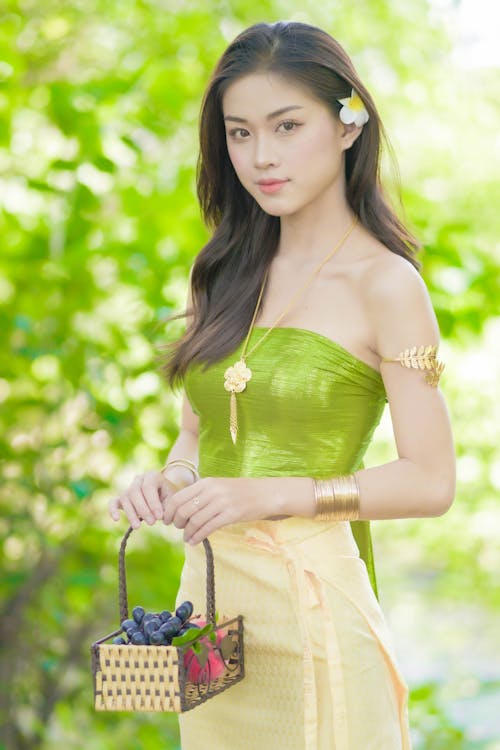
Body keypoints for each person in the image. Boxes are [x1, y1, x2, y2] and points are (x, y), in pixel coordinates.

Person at [109, 20, 456, 750]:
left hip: (315, 607)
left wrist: (277, 494)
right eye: (238, 133)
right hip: (206, 612)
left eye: (286, 126)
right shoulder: (224, 271)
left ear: (347, 125)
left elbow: (431, 481)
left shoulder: (386, 285)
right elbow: (198, 435)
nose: (260, 156)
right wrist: (168, 483)